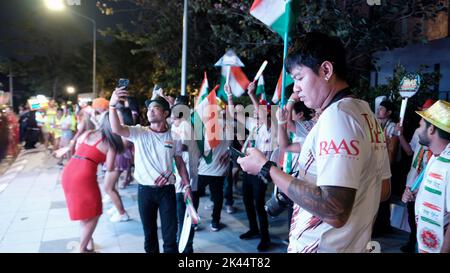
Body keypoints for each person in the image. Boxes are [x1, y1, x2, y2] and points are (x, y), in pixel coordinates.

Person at [237, 32, 391, 253]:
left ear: (326, 70)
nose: (296, 89)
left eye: (299, 78)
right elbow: (383, 190)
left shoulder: (337, 117)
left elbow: (334, 210)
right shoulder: (364, 113)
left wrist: (267, 168)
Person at [109, 90, 191, 253]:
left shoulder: (174, 136)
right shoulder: (140, 132)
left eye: (155, 108)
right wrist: (112, 105)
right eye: (148, 109)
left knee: (170, 235)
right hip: (145, 191)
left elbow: (180, 162)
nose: (150, 111)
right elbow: (117, 129)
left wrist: (187, 186)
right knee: (150, 235)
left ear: (165, 113)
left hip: (167, 191)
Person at [61, 112, 124, 253]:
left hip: (69, 171)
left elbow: (78, 149)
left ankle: (89, 245)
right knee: (94, 212)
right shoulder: (111, 143)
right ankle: (82, 249)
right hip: (83, 176)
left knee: (84, 211)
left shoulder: (89, 133)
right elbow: (110, 167)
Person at [225, 82, 275, 251]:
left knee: (259, 203)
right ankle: (254, 229)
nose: (254, 113)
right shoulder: (255, 125)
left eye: (258, 111)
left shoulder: (271, 128)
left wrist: (253, 95)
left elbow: (260, 112)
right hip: (248, 169)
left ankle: (265, 237)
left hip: (261, 171)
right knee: (247, 200)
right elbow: (232, 114)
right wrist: (230, 96)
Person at [402, 100, 450, 253]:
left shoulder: (447, 165)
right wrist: (416, 194)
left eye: (422, 124)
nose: (419, 127)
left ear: (431, 129)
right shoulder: (436, 157)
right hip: (426, 241)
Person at [397, 99, 435, 252]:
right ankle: (413, 241)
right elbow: (409, 151)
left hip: (429, 181)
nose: (421, 119)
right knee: (412, 214)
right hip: (413, 179)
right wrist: (399, 135)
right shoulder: (419, 131)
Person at [103, 107, 134, 223]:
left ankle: (122, 213)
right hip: (119, 159)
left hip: (117, 160)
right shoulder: (120, 129)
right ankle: (118, 209)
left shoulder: (120, 130)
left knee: (108, 188)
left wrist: (108, 167)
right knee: (112, 187)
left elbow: (121, 146)